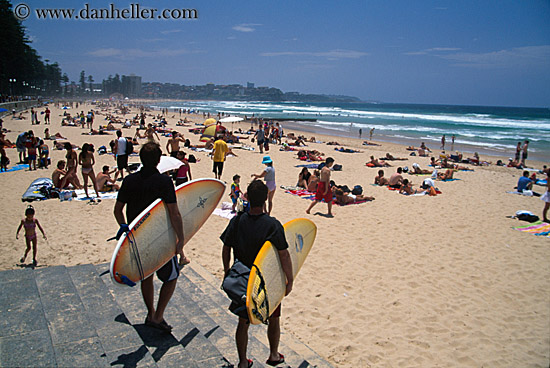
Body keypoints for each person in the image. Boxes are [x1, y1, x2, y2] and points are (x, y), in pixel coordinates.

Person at [114, 142, 186, 333]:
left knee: (147, 276)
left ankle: (150, 312)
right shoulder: (164, 182)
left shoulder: (129, 181)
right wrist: (181, 238)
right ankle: (158, 316)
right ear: (158, 160)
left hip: (138, 238)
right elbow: (174, 213)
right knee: (171, 277)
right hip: (159, 238)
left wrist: (125, 228)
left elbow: (118, 210)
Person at [220, 180, 293, 368]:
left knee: (243, 321)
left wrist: (227, 270)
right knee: (274, 318)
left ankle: (243, 362)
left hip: (243, 280)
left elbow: (226, 247)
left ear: (248, 198)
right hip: (266, 281)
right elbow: (284, 255)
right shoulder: (272, 225)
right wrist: (289, 280)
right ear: (265, 199)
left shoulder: (237, 221)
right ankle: (274, 355)